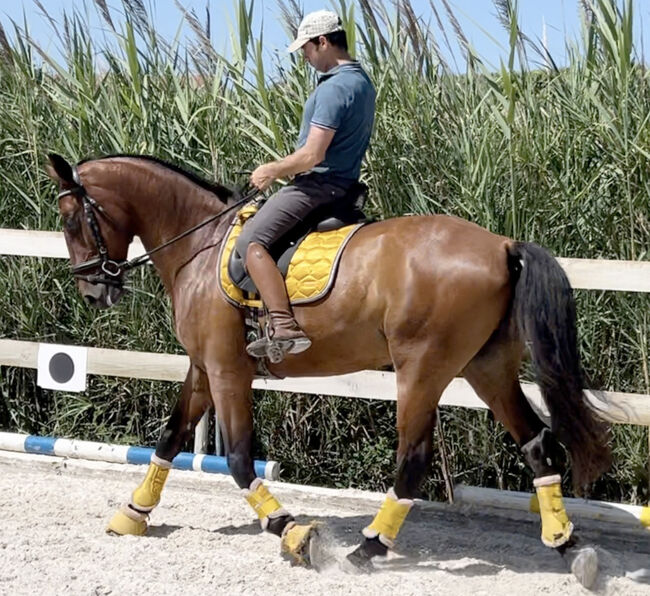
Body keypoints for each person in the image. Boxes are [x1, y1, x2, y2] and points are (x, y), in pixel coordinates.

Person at [236, 9, 376, 362]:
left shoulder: (334, 89)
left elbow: (313, 154)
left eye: (307, 50)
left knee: (251, 241)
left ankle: (283, 325)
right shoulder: (362, 82)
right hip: (345, 185)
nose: (306, 57)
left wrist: (271, 169)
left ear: (323, 42)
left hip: (318, 185)